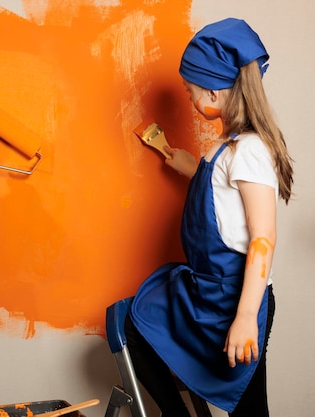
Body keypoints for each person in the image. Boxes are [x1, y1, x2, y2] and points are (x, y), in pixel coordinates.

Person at [125, 18, 293, 417]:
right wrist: (188, 165)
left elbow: (262, 236)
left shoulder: (248, 150)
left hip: (235, 299)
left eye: (190, 91)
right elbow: (224, 194)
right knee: (136, 322)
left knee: (251, 410)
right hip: (211, 293)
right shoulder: (228, 148)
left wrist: (246, 317)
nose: (188, 98)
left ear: (215, 93)